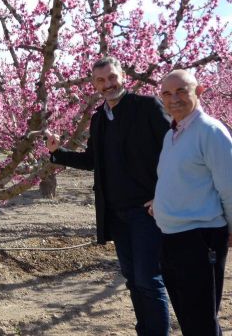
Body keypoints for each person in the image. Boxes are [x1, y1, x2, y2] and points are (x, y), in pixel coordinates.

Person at [46, 56, 171, 335]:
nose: (108, 84)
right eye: (101, 80)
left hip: (147, 211)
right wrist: (58, 152)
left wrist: (164, 195)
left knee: (149, 279)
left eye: (112, 77)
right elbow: (93, 160)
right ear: (94, 84)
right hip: (116, 213)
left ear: (123, 76)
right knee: (132, 279)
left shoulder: (147, 107)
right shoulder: (99, 118)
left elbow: (172, 151)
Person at [150, 70, 232, 336]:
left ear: (199, 91)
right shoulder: (172, 134)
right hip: (172, 238)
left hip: (200, 240)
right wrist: (160, 203)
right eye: (167, 93)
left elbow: (229, 186)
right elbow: (183, 178)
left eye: (182, 90)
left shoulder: (210, 131)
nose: (174, 98)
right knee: (189, 319)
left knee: (201, 324)